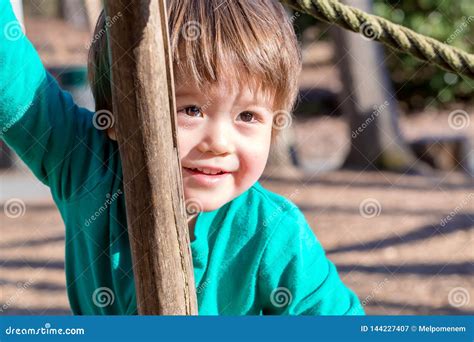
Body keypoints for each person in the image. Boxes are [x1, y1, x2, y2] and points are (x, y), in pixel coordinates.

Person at [1, 0, 364, 315]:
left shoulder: (274, 231)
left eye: (248, 116)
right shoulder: (84, 166)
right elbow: (12, 76)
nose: (219, 142)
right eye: (190, 109)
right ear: (114, 114)